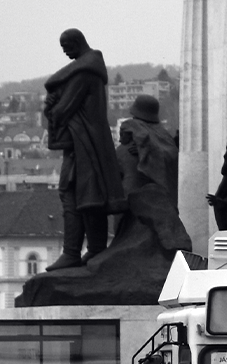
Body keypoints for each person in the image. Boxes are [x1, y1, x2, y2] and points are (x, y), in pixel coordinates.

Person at [44, 27, 125, 270]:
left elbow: (63, 109)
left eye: (67, 47)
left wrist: (51, 107)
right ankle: (95, 248)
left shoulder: (84, 73)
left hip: (83, 144)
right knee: (91, 197)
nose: (65, 52)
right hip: (88, 142)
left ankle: (72, 252)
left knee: (72, 194)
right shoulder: (90, 69)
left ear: (77, 43)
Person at [113, 94, 192, 254]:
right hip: (146, 194)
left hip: (141, 193)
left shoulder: (153, 136)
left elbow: (170, 156)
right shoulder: (160, 136)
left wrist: (147, 150)